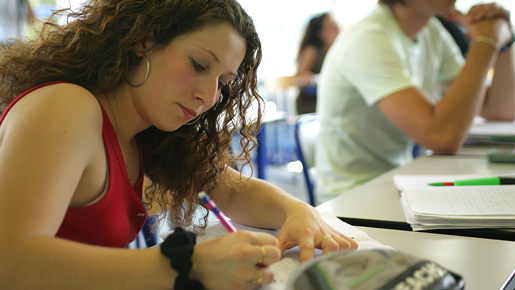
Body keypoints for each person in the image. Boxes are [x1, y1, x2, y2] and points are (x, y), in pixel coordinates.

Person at [0, 0, 357, 289]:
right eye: (199, 64)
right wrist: (185, 265)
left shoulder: (147, 135)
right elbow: (10, 263)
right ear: (144, 40)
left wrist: (298, 212)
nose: (210, 95)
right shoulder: (65, 107)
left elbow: (233, 192)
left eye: (223, 81)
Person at [315, 0, 515, 203]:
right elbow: (442, 137)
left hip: (399, 180)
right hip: (351, 196)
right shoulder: (369, 37)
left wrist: (505, 41)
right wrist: (485, 42)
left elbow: (500, 110)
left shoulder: (430, 31)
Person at [295, 12, 340, 115]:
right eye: (332, 27)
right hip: (312, 105)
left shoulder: (336, 52)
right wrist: (307, 78)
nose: (338, 30)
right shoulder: (312, 51)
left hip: (329, 100)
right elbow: (298, 79)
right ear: (321, 33)